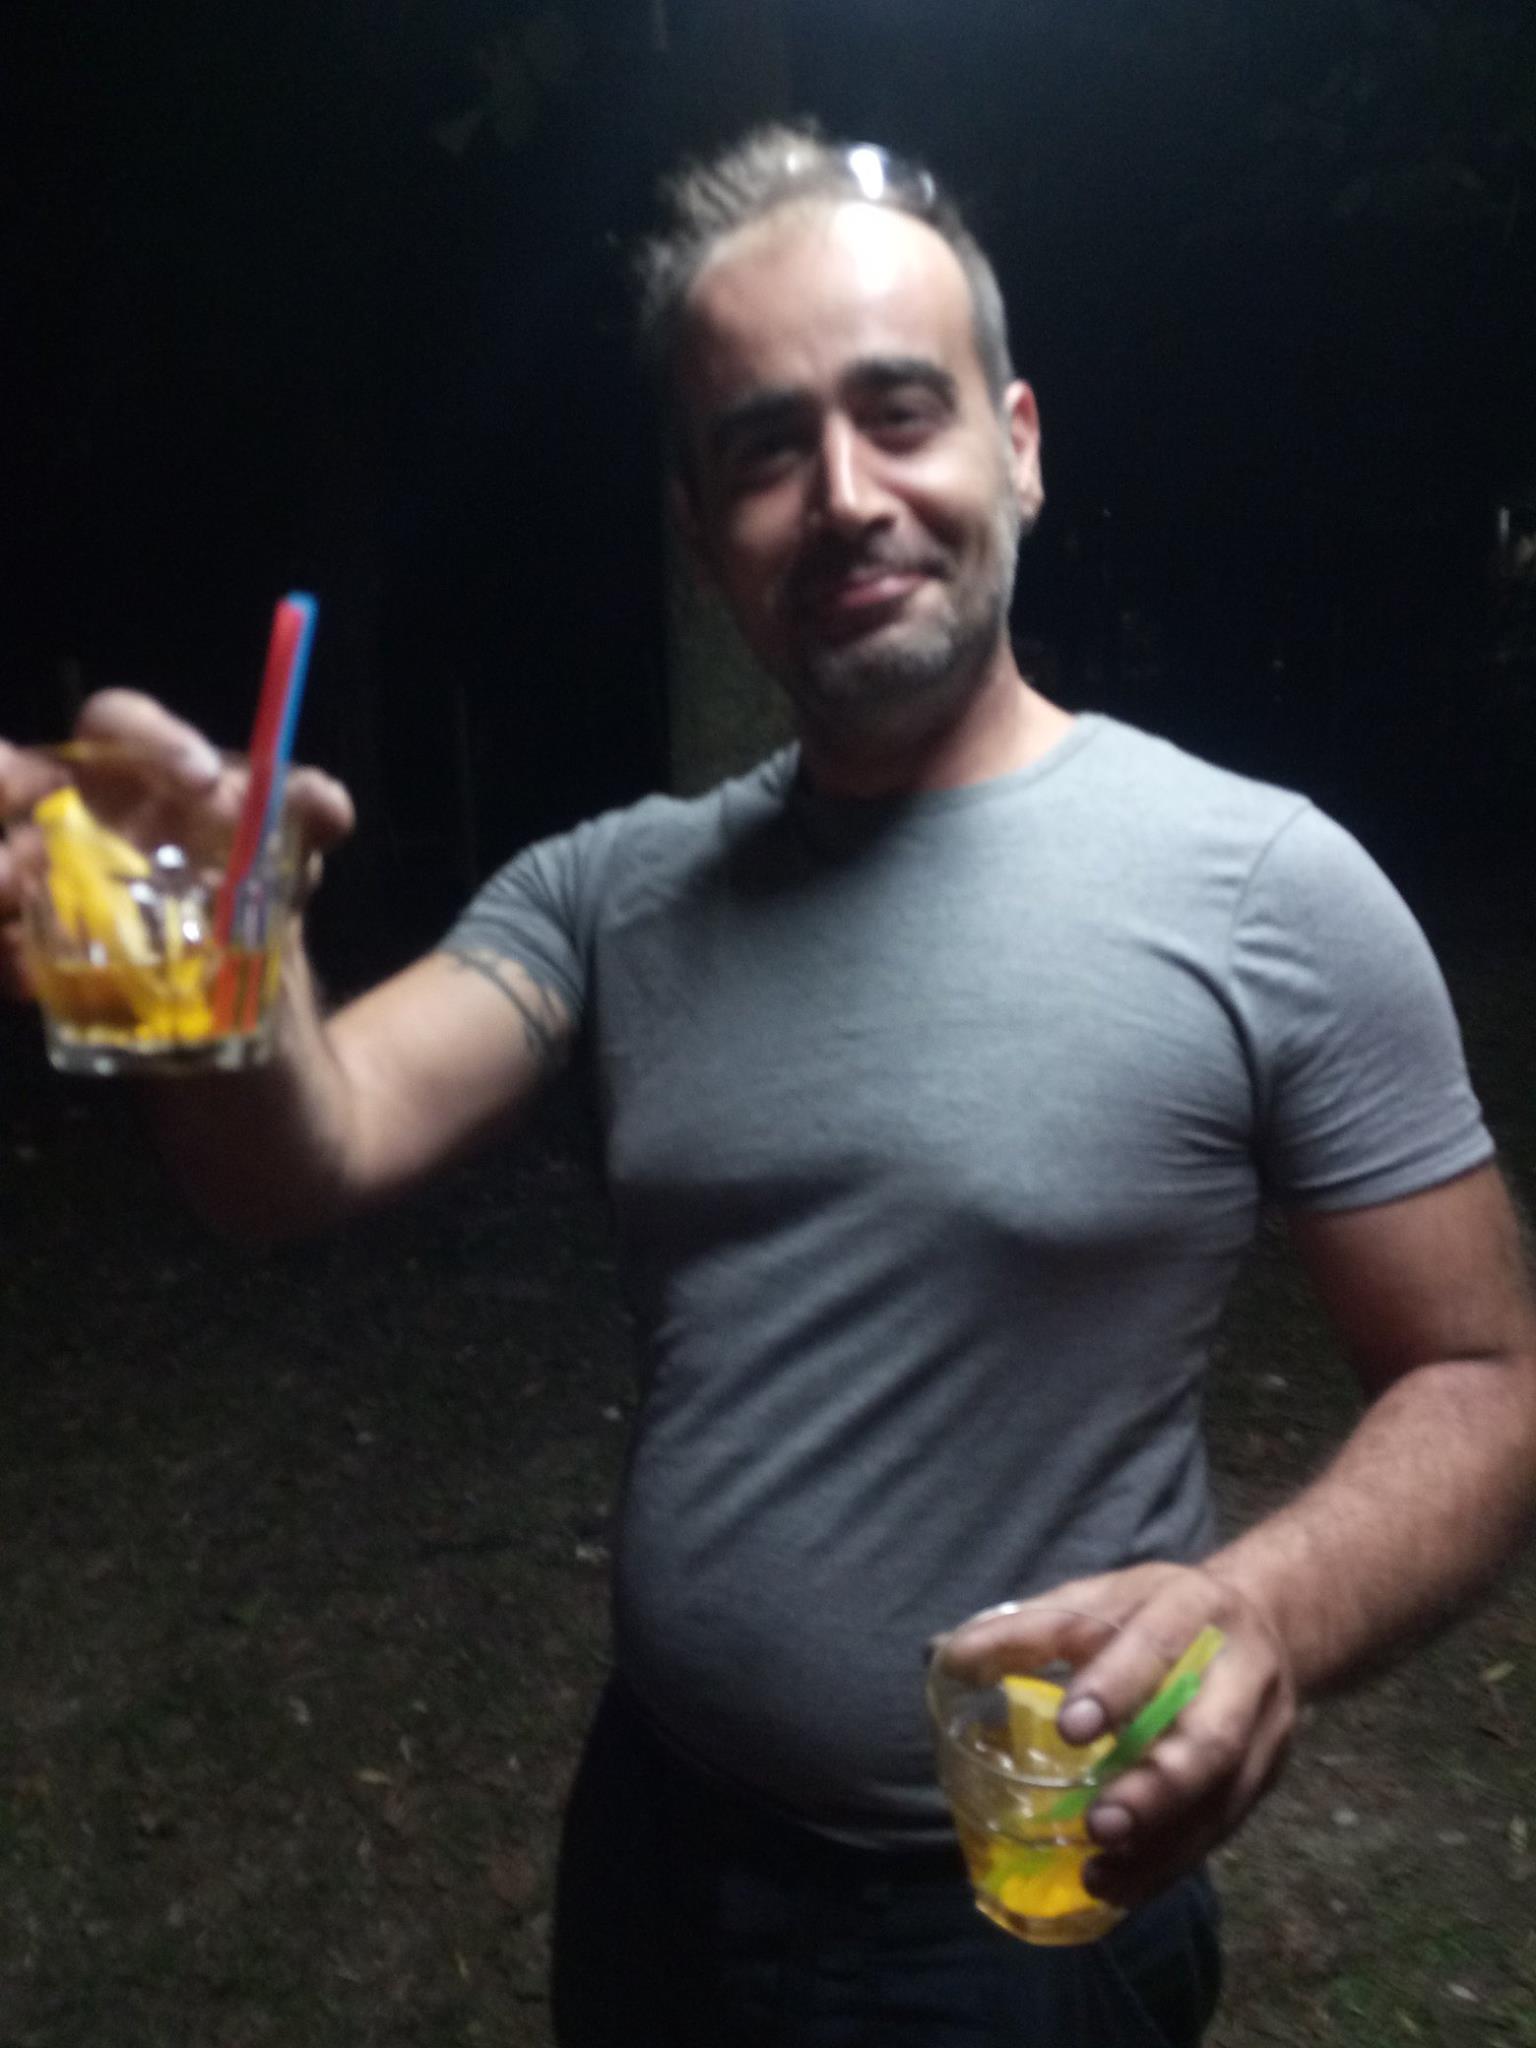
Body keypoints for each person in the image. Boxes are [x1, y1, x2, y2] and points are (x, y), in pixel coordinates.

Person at [4, 126, 1535, 2047]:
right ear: (700, 524)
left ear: (1020, 445)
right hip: (654, 1843)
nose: (844, 497)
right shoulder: (610, 891)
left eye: (901, 413)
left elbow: (1485, 1378)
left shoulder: (1267, 887)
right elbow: (298, 1158)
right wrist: (208, 974)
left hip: (1022, 1912)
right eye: (761, 449)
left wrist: (1271, 1613)